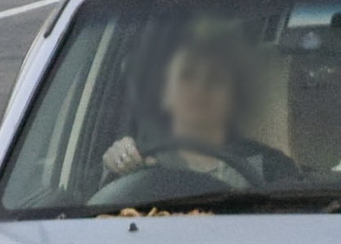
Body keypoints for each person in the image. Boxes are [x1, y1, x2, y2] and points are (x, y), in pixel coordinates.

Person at [100, 31, 294, 191]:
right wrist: (115, 169)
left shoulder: (270, 168)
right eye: (187, 76)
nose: (200, 89)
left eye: (215, 78)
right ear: (165, 93)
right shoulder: (139, 162)